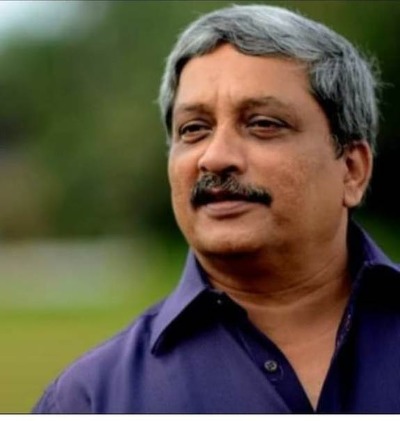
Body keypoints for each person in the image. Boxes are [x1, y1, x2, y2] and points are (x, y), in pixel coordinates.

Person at [33, 4, 400, 414]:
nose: (216, 157)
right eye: (194, 129)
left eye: (262, 124)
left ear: (351, 169)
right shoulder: (91, 400)